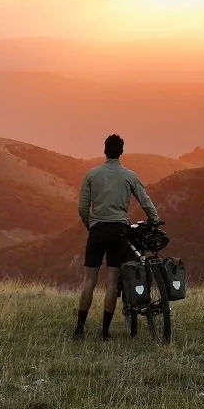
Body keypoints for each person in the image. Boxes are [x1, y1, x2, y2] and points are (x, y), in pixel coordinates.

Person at [74, 132, 160, 340]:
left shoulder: (91, 175)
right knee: (112, 282)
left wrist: (89, 224)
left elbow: (82, 207)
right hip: (119, 231)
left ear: (105, 151)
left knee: (89, 281)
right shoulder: (129, 175)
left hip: (97, 230)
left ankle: (79, 329)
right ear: (121, 152)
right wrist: (155, 220)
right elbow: (145, 200)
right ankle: (105, 331)